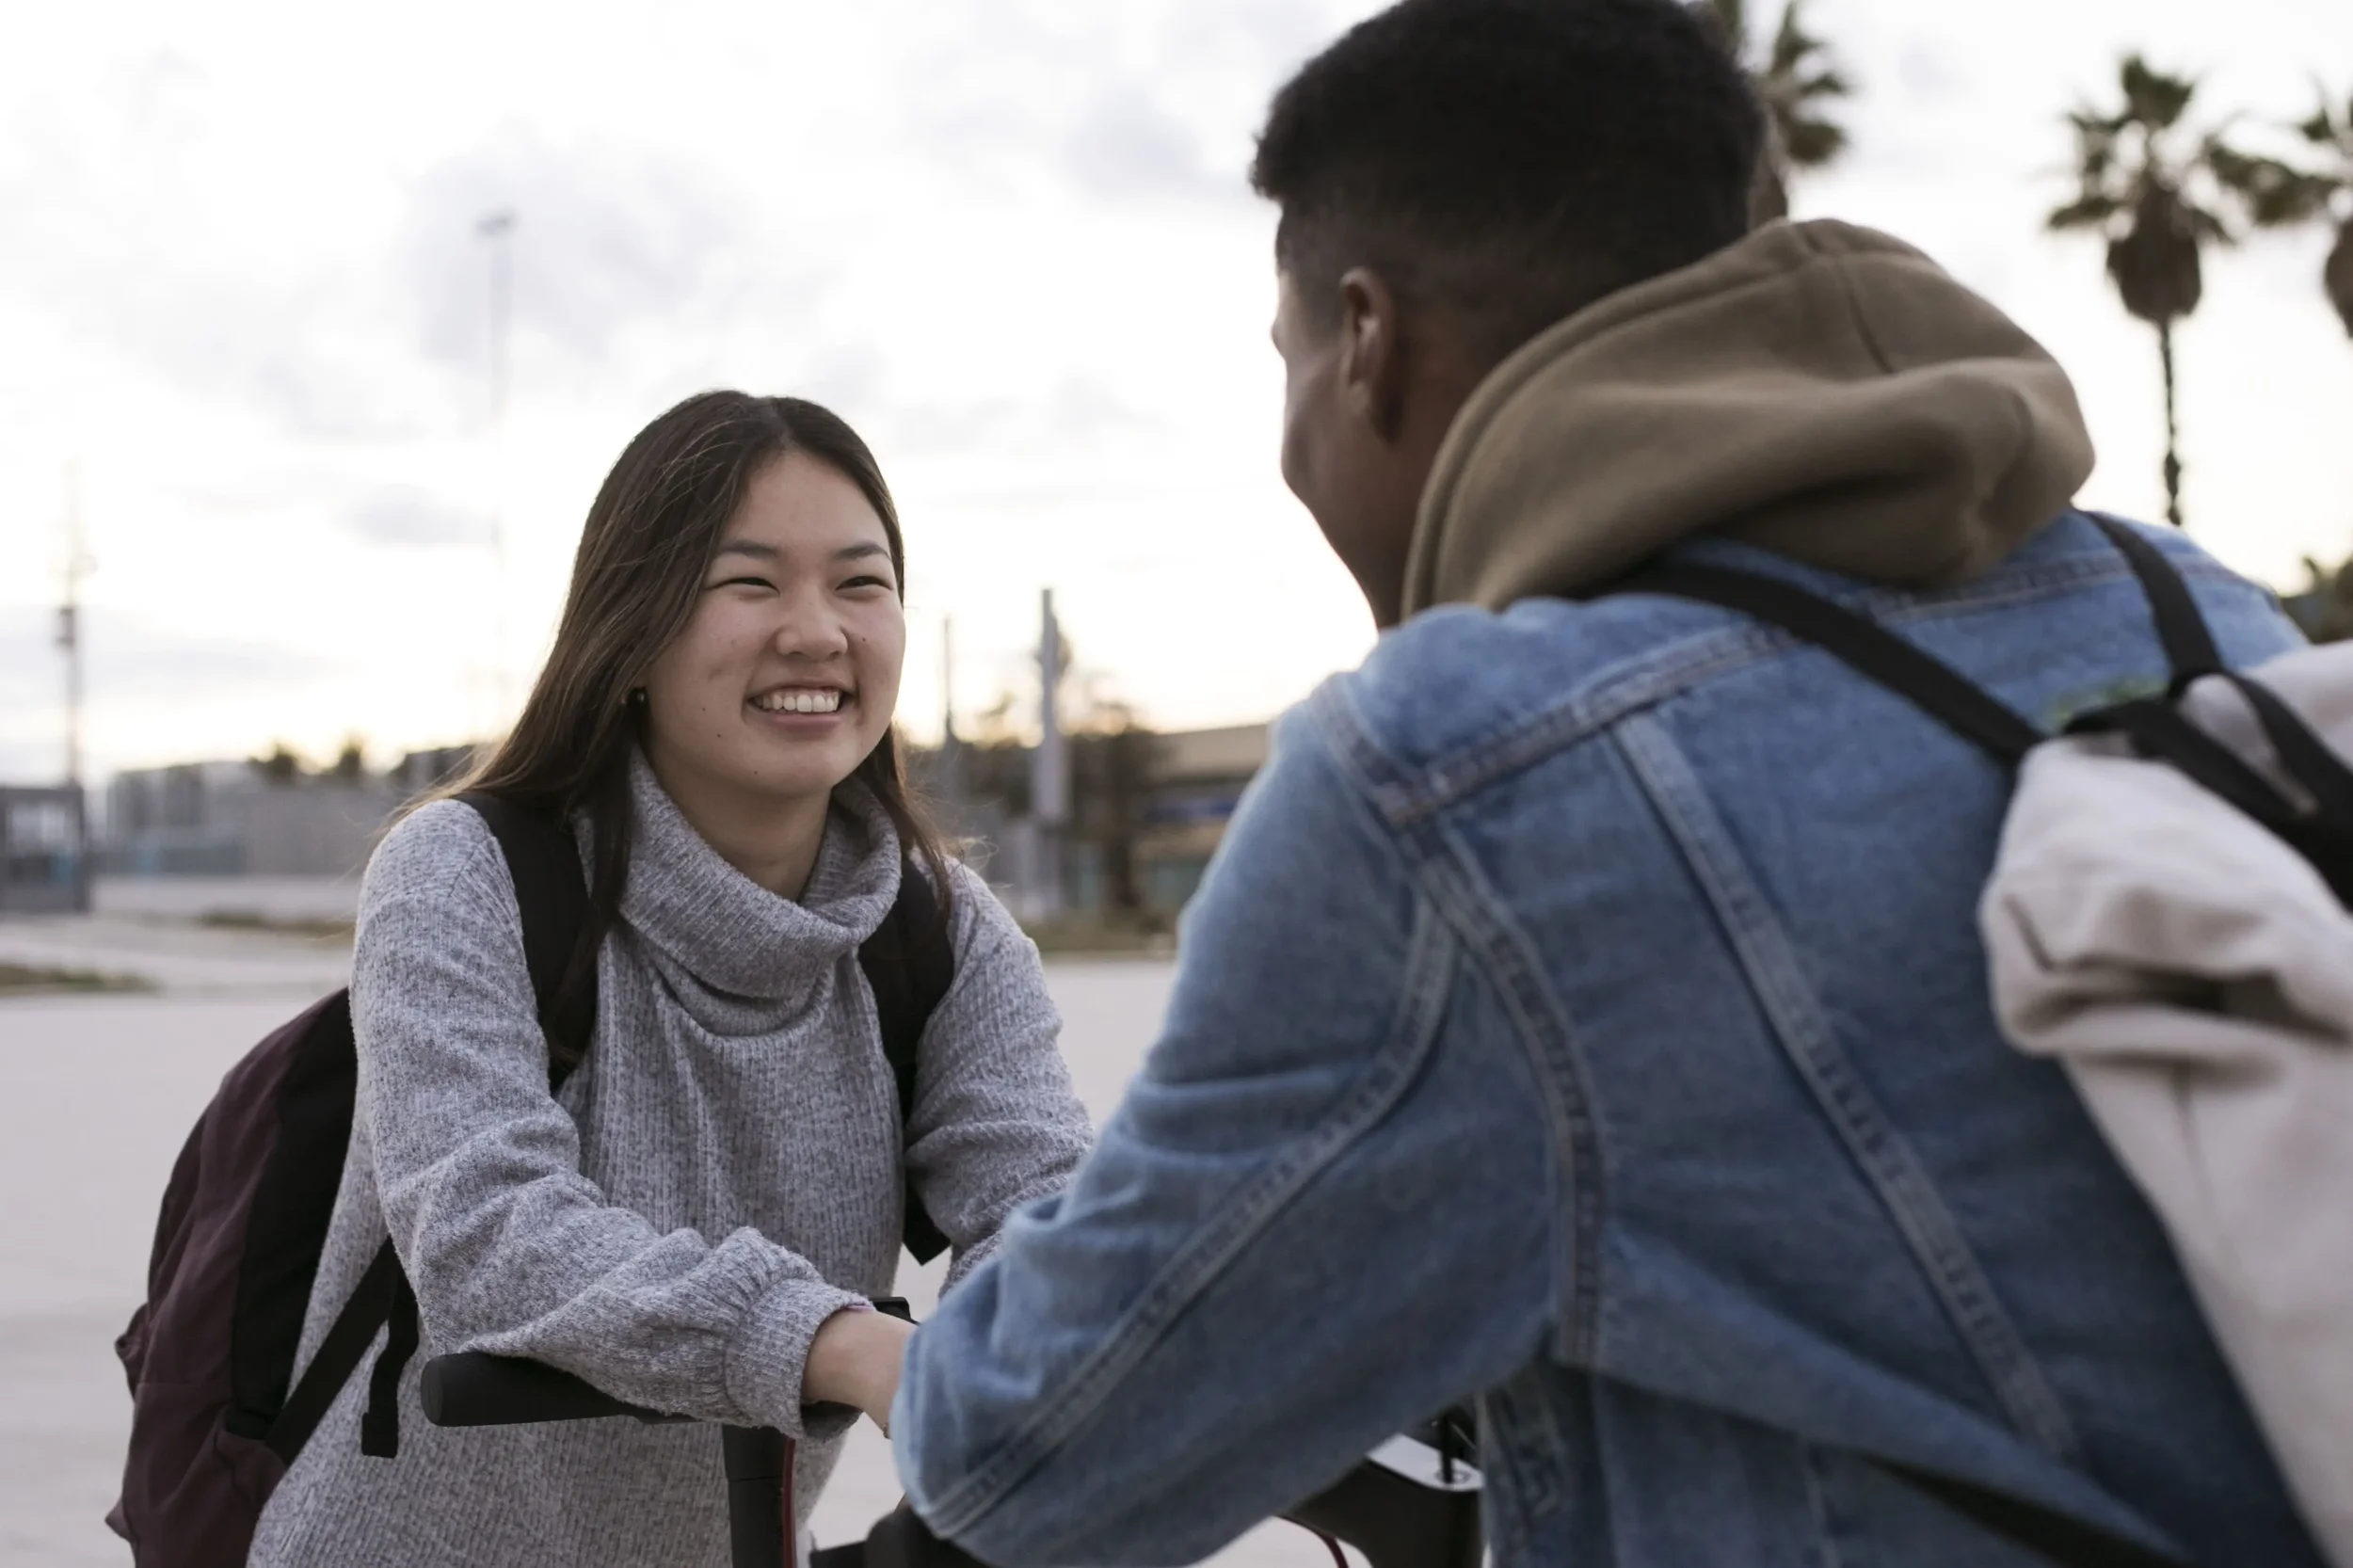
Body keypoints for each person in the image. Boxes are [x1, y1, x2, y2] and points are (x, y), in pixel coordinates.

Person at [887, 2, 2329, 1563]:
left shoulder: (1455, 786)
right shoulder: (2194, 607)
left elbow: (1027, 1451)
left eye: (1287, 358)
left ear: (1363, 342)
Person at [249, 392, 1092, 1567]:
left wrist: (1042, 1341)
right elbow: (487, 1227)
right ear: (633, 629)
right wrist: (836, 1340)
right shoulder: (463, 870)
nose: (816, 631)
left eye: (860, 582)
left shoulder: (944, 932)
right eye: (749, 583)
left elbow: (1045, 1204)